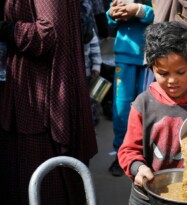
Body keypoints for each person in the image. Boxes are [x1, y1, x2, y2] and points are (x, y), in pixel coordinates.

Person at [0, 0, 98, 204]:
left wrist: (6, 29)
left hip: (40, 98)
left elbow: (47, 33)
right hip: (32, 92)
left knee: (43, 182)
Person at [118, 21, 187, 204]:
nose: (172, 80)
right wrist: (138, 168)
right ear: (152, 69)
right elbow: (129, 150)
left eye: (180, 72)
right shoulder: (143, 104)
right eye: (163, 73)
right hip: (146, 194)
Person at [106, 0, 154, 177]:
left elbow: (162, 13)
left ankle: (146, 155)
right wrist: (112, 13)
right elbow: (109, 20)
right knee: (122, 108)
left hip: (149, 57)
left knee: (147, 107)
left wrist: (139, 10)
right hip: (124, 56)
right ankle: (121, 155)